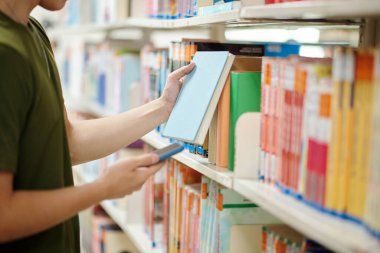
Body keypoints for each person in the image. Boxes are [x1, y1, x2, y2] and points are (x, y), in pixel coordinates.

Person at [0, 0, 195, 252]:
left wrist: (162, 108)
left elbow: (66, 144)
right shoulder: (5, 54)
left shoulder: (33, 32)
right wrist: (102, 188)